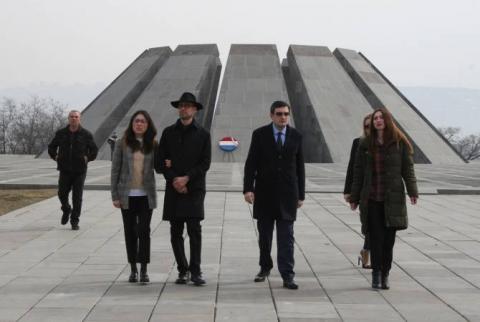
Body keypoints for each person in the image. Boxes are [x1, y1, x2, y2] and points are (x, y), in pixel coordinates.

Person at [350, 107, 418, 290]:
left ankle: (385, 273)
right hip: (372, 199)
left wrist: (413, 191)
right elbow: (358, 173)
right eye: (375, 118)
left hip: (392, 199)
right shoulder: (365, 144)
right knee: (376, 239)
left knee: (389, 241)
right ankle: (376, 275)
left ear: (387, 120)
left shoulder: (399, 143)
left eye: (381, 118)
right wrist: (354, 197)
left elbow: (408, 170)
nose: (378, 121)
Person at [243, 100, 305, 290]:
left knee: (286, 237)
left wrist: (301, 194)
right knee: (265, 236)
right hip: (264, 193)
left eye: (286, 114)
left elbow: (299, 167)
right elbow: (251, 163)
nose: (283, 117)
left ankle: (287, 274)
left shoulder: (296, 135)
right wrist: (248, 188)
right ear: (271, 115)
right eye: (279, 114)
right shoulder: (260, 134)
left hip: (288, 195)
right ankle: (264, 267)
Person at [155, 92, 211, 286]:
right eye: (181, 105)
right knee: (175, 230)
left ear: (195, 109)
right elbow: (160, 162)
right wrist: (175, 180)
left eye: (187, 106)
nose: (183, 108)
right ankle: (182, 269)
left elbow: (205, 164)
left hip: (194, 188)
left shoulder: (203, 134)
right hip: (174, 188)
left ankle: (196, 270)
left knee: (194, 230)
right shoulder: (168, 133)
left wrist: (186, 178)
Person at [110, 110, 157, 283]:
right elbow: (115, 169)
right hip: (127, 195)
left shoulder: (152, 143)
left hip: (146, 195)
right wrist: (115, 195)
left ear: (147, 124)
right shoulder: (122, 143)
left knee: (144, 231)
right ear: (132, 124)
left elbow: (159, 165)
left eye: (143, 121)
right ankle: (133, 269)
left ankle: (144, 268)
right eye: (136, 121)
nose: (139, 124)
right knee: (130, 232)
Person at [48, 110, 98, 230]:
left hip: (80, 171)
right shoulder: (61, 133)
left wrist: (87, 158)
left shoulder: (86, 134)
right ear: (68, 118)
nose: (74, 119)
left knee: (77, 196)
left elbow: (94, 150)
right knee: (61, 193)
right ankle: (66, 209)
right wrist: (56, 157)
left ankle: (74, 221)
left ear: (79, 119)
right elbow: (51, 147)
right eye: (71, 117)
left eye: (76, 117)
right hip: (65, 169)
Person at [344, 113, 372, 269]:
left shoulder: (384, 143)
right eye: (366, 126)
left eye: (371, 126)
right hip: (363, 192)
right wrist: (349, 192)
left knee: (377, 225)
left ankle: (367, 251)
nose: (369, 129)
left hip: (380, 191)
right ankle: (367, 250)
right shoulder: (358, 143)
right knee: (369, 224)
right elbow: (352, 168)